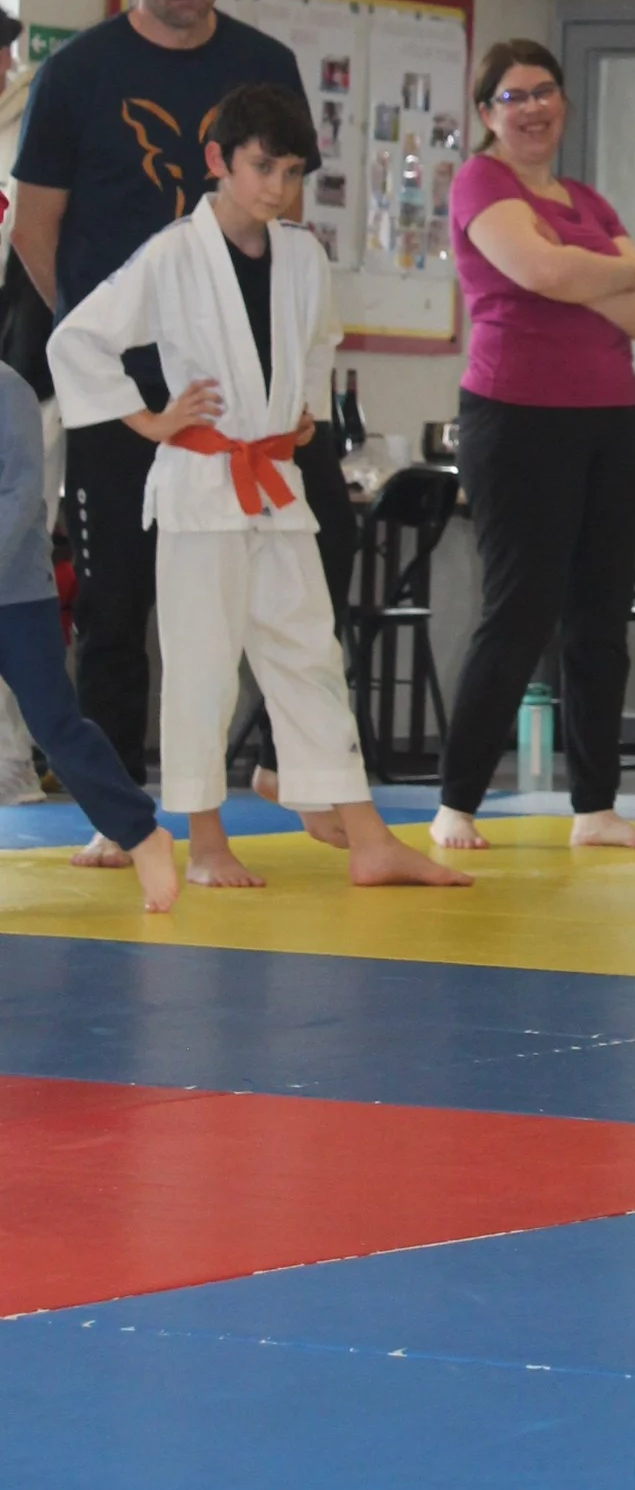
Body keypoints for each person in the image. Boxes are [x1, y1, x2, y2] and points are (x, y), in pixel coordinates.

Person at [48, 82, 468, 894]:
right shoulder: (173, 253)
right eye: (262, 167)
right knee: (202, 666)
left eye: (292, 171)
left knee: (312, 655)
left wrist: (304, 414)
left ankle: (369, 837)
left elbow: (318, 344)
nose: (277, 186)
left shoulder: (303, 255)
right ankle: (206, 843)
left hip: (276, 482)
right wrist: (150, 421)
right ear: (219, 161)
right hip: (202, 485)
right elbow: (78, 340)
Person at [9, 0, 322, 818]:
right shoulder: (81, 72)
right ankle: (119, 813)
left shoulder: (265, 65)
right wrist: (102, 342)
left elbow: (288, 217)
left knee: (295, 583)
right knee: (116, 605)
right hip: (129, 396)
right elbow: (35, 228)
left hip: (243, 398)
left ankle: (293, 771)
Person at [430, 40, 635, 855]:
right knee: (520, 611)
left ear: (562, 103)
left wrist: (579, 269)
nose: (532, 108)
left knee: (601, 619)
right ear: (487, 112)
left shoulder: (587, 201)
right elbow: (542, 274)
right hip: (517, 418)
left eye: (544, 92)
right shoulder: (480, 182)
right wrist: (609, 272)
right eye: (513, 96)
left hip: (612, 421)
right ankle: (457, 802)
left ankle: (595, 807)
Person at [0, 353, 179, 907]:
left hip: (16, 598)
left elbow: (21, 497)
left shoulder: (9, 390)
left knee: (57, 728)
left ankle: (141, 834)